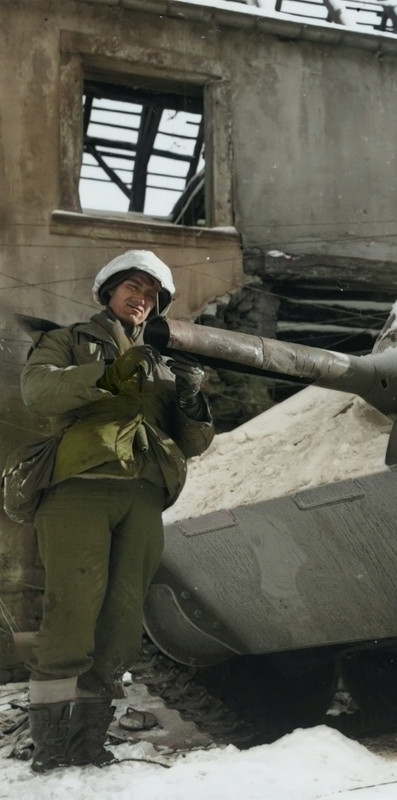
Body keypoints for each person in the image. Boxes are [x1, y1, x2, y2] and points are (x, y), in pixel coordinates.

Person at [19, 250, 214, 772]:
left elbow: (193, 442)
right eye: (132, 286)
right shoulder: (68, 340)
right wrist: (109, 373)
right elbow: (39, 391)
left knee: (123, 623)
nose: (141, 298)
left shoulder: (164, 362)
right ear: (108, 291)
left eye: (151, 294)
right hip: (81, 485)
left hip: (145, 492)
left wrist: (193, 401)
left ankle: (89, 745)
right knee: (72, 615)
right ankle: (52, 750)